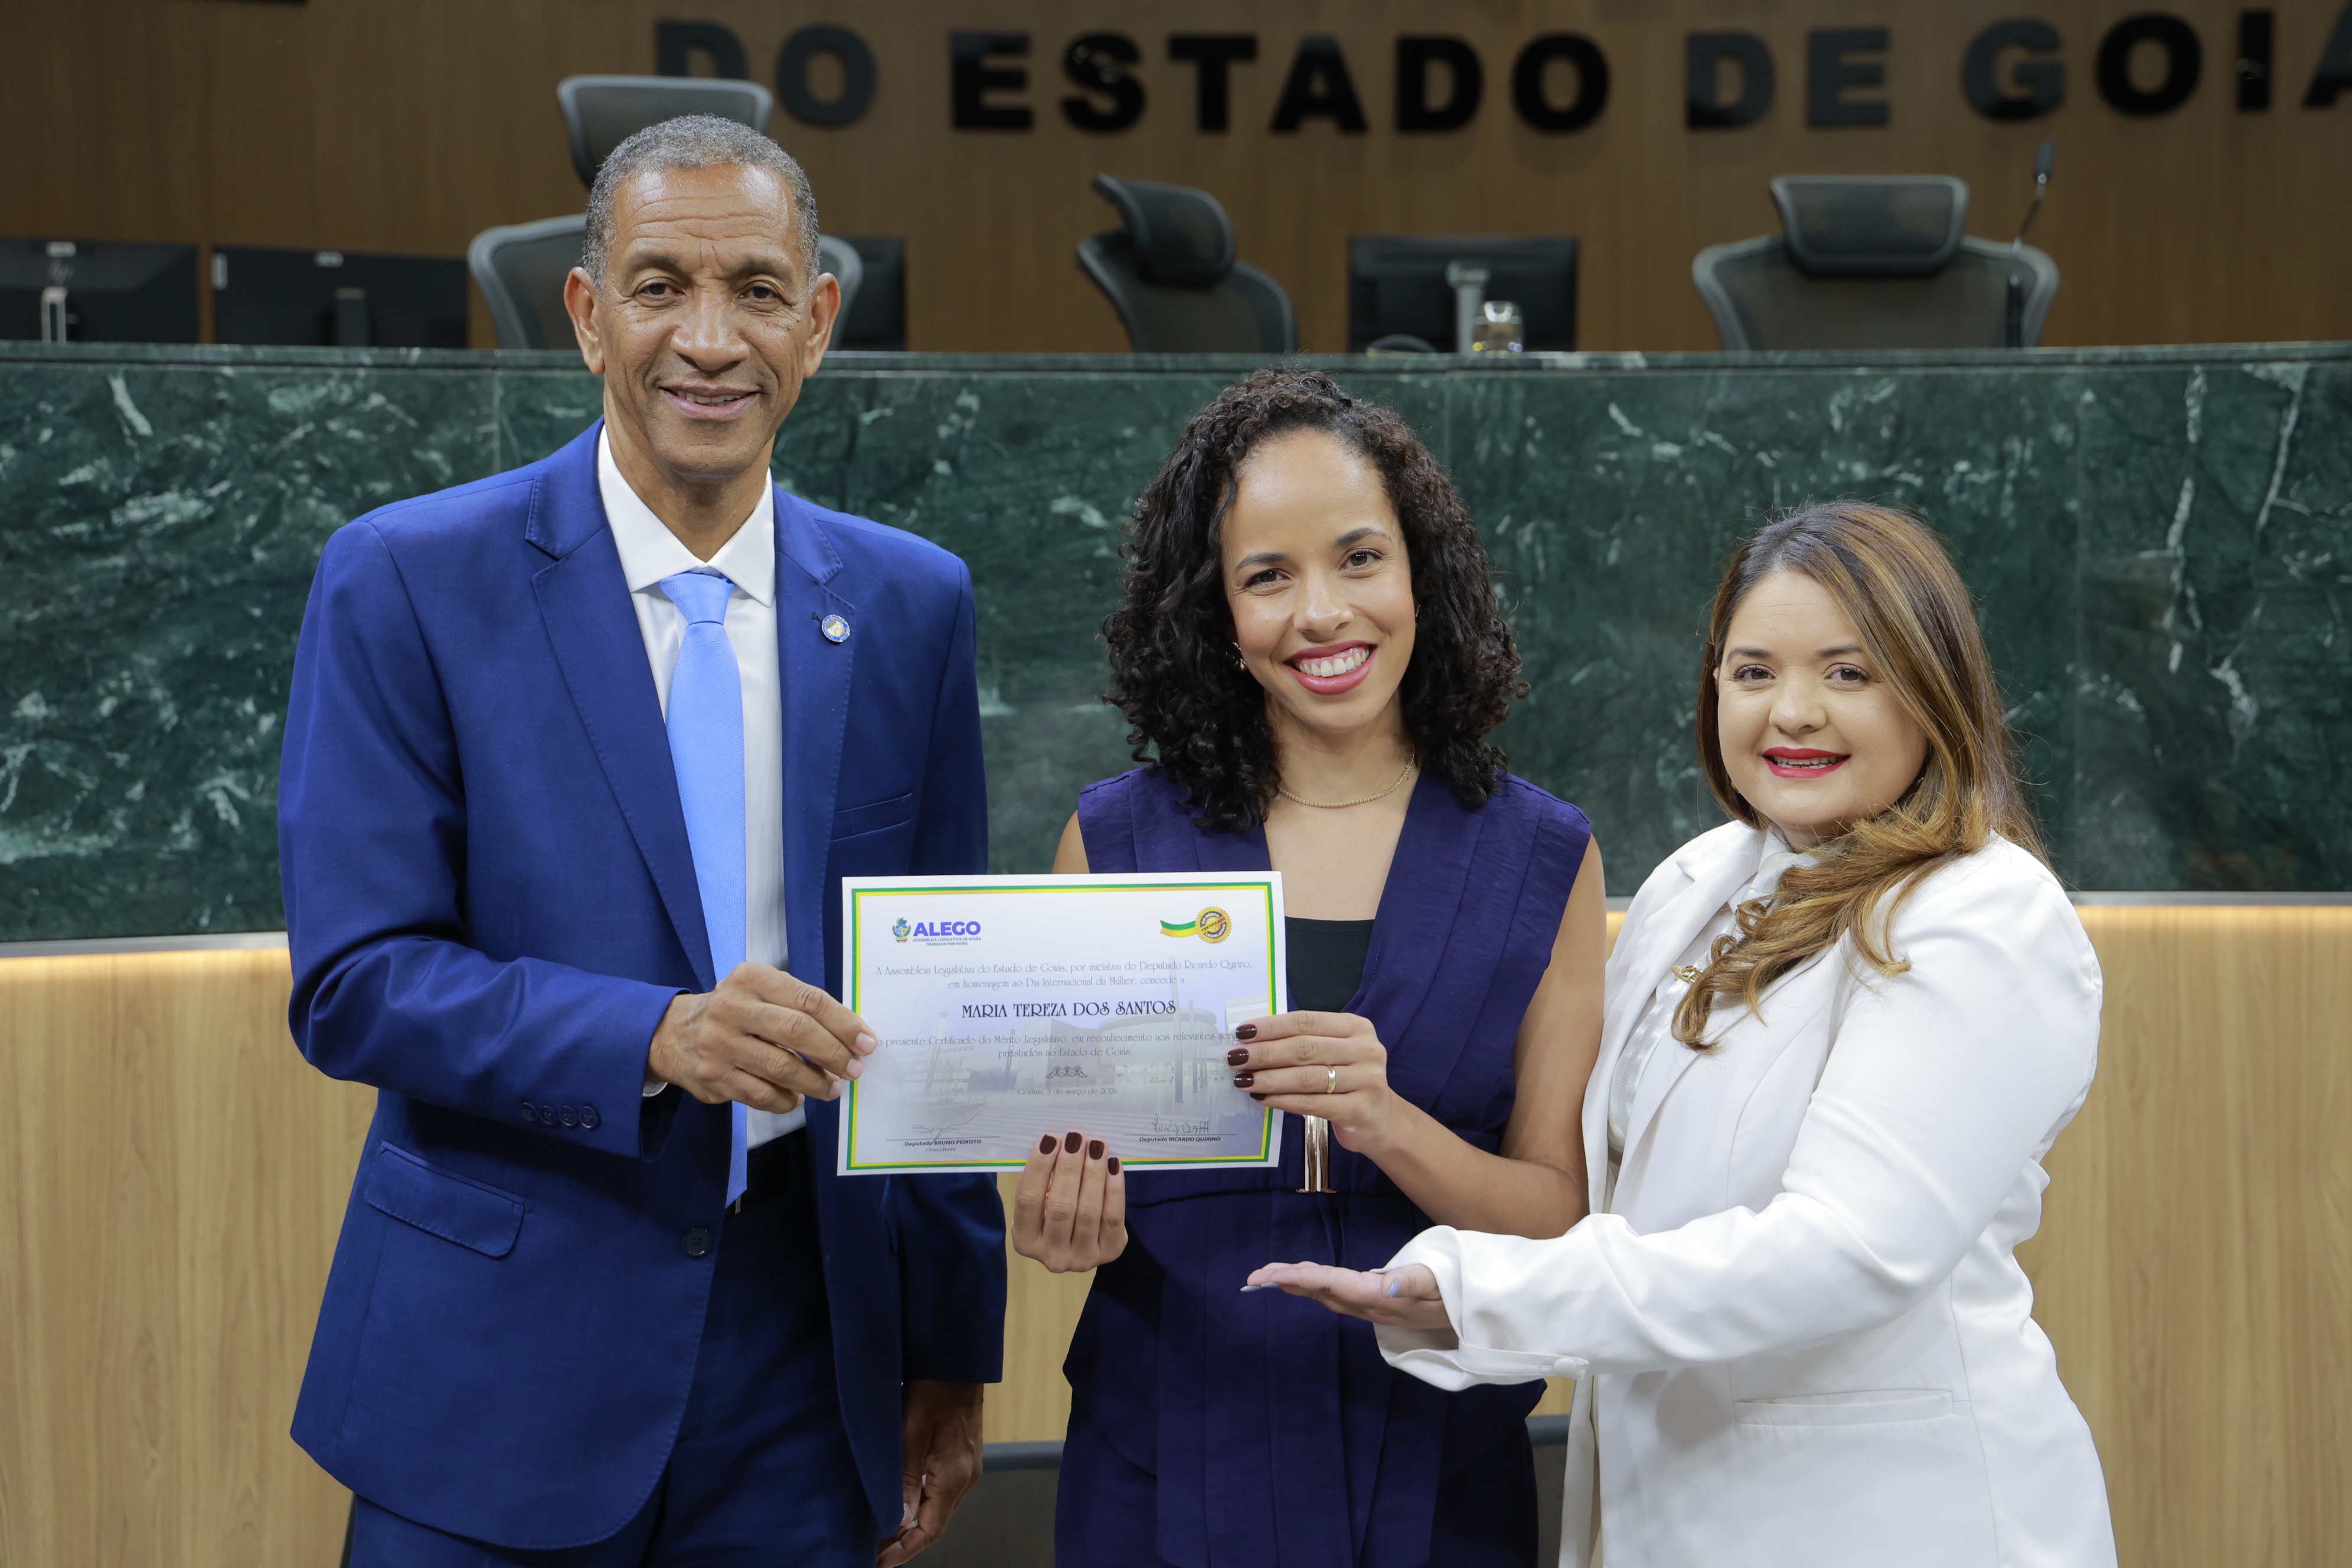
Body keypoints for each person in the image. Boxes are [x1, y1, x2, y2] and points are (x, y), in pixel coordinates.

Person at [279, 116, 1004, 1567]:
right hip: (496, 1365)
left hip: (806, 1367)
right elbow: (356, 981)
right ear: (588, 313)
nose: (710, 340)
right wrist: (656, 1036)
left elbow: (936, 1004)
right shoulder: (406, 579)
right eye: (661, 285)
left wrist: (949, 1347)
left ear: (818, 321)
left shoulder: (911, 604)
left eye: (756, 290)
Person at [1254, 501, 2118, 1567]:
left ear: (1933, 688)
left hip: (1896, 1521)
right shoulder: (1695, 884)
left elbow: (1845, 1252)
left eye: (1848, 673)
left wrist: (1483, 1293)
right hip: (1668, 1509)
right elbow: (1618, 1198)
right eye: (1753, 672)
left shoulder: (1986, 914)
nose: (1791, 712)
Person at [1011, 368, 1608, 1567]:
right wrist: (1061, 1219)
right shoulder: (1115, 843)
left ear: (1421, 575)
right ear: (1216, 616)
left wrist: (1388, 1123)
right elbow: (1069, 1163)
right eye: (1267, 577)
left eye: (1360, 559)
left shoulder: (1546, 857)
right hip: (1163, 1459)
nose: (1323, 613)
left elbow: (1558, 1220)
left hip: (1437, 1463)